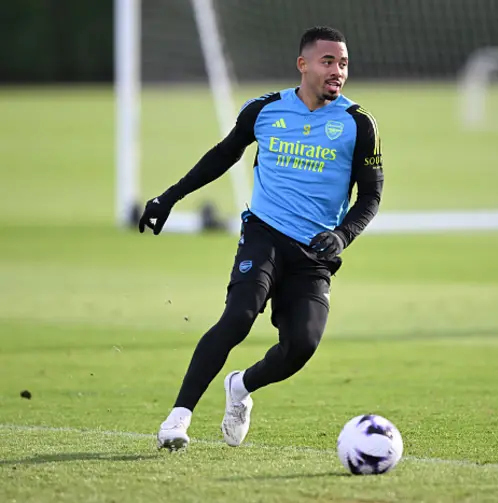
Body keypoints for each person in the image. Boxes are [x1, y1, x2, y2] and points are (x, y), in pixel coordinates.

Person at [139, 26, 384, 451]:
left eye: (343, 63)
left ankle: (241, 386)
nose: (338, 71)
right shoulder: (265, 110)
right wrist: (170, 197)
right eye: (328, 62)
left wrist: (343, 235)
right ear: (302, 64)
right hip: (264, 233)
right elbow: (222, 155)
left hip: (314, 252)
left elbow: (372, 195)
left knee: (301, 346)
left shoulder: (358, 123)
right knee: (238, 317)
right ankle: (177, 418)